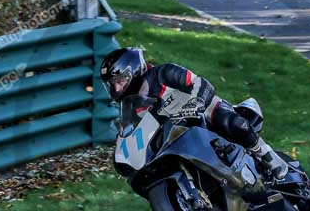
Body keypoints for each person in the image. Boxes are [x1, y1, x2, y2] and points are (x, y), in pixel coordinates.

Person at [100, 47, 288, 177]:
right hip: (174, 136)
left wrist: (197, 101)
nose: (116, 88)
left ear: (131, 70)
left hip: (199, 112)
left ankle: (268, 156)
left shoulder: (162, 73)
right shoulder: (130, 106)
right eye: (112, 84)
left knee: (231, 122)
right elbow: (132, 134)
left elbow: (199, 83)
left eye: (119, 80)